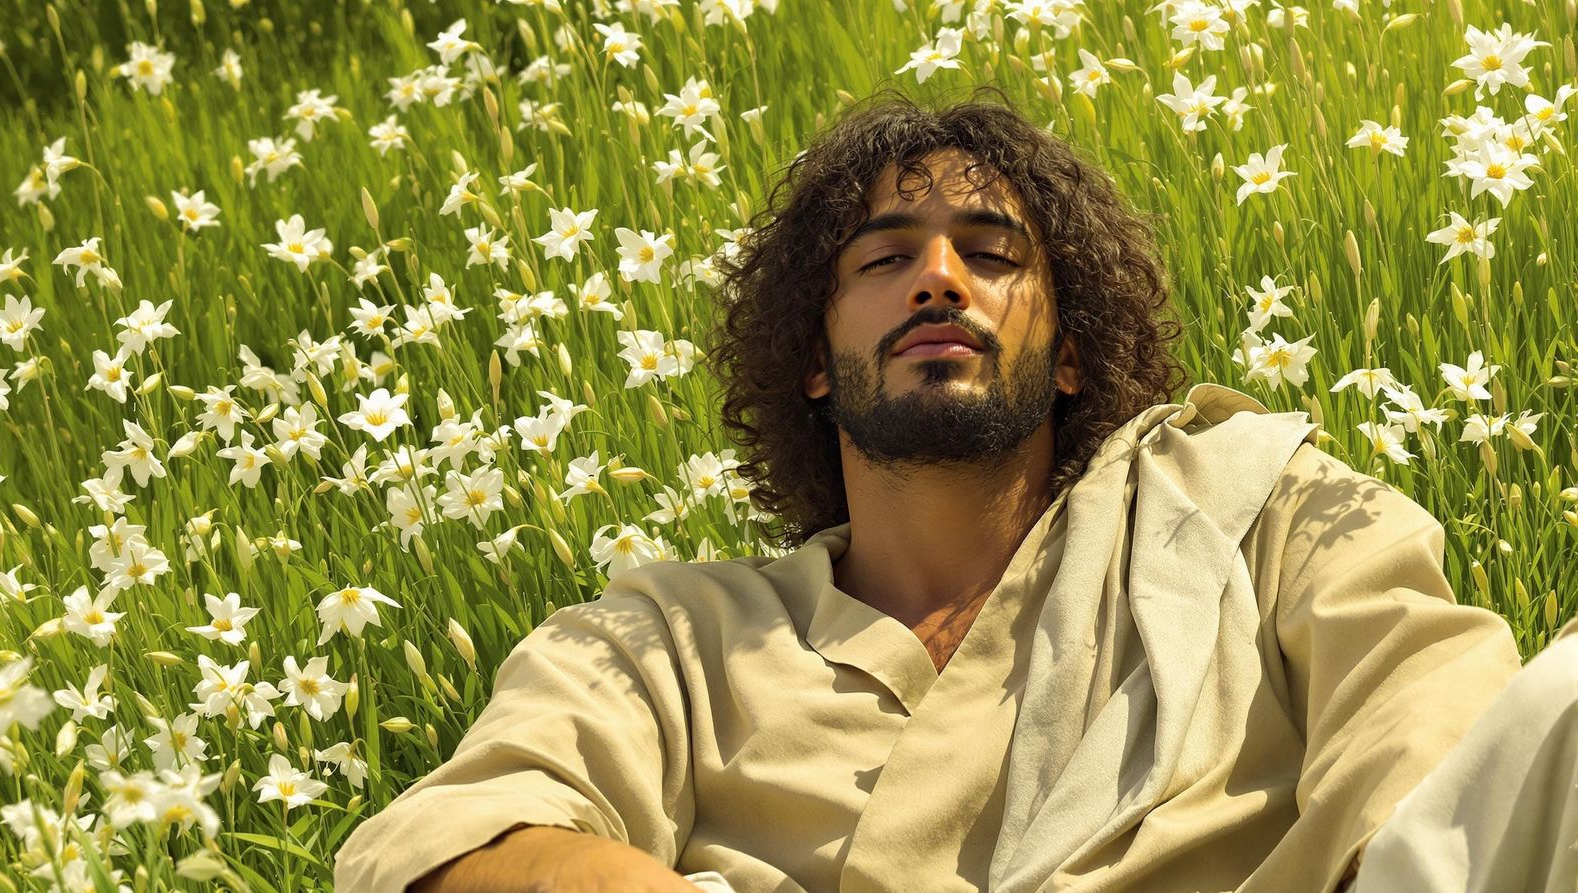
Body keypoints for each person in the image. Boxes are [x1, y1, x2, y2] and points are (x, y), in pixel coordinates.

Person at [334, 87, 1575, 893]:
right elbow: (458, 840)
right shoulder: (667, 639)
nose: (939, 279)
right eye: (883, 259)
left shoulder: (1250, 509)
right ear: (812, 360)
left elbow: (1442, 741)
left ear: (1072, 345)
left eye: (991, 255)